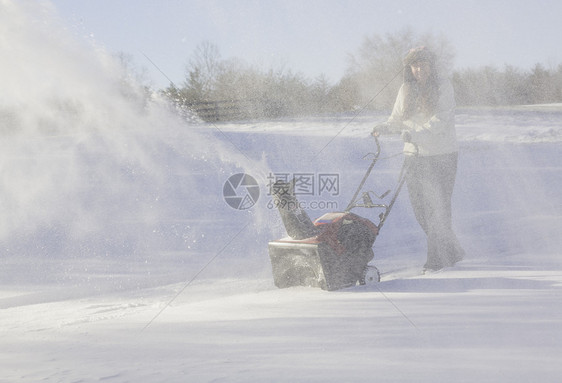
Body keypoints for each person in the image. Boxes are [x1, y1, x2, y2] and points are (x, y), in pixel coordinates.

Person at [373, 46, 465, 272]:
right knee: (421, 211)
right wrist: (384, 127)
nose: (419, 69)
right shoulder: (405, 89)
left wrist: (415, 134)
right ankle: (452, 249)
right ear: (409, 68)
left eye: (423, 64)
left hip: (441, 156)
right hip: (414, 156)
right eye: (414, 65)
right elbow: (396, 119)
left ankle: (437, 261)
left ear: (431, 66)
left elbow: (441, 120)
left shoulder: (443, 86)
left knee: (438, 209)